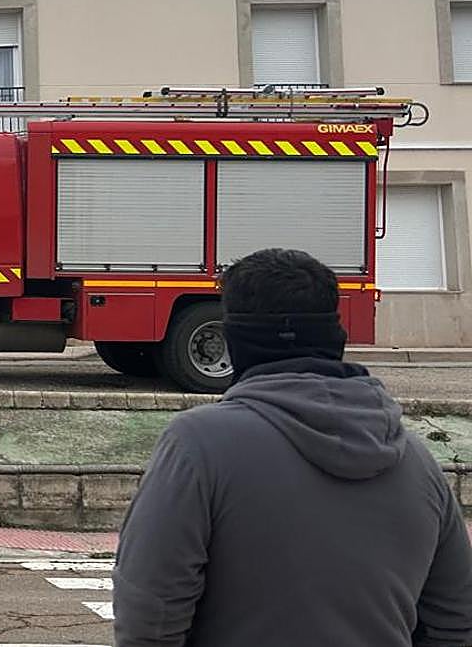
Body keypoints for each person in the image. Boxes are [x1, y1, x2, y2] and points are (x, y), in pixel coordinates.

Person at [113, 248, 472, 647]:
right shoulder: (417, 461)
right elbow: (456, 619)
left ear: (236, 341)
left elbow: (151, 614)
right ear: (336, 336)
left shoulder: (199, 445)